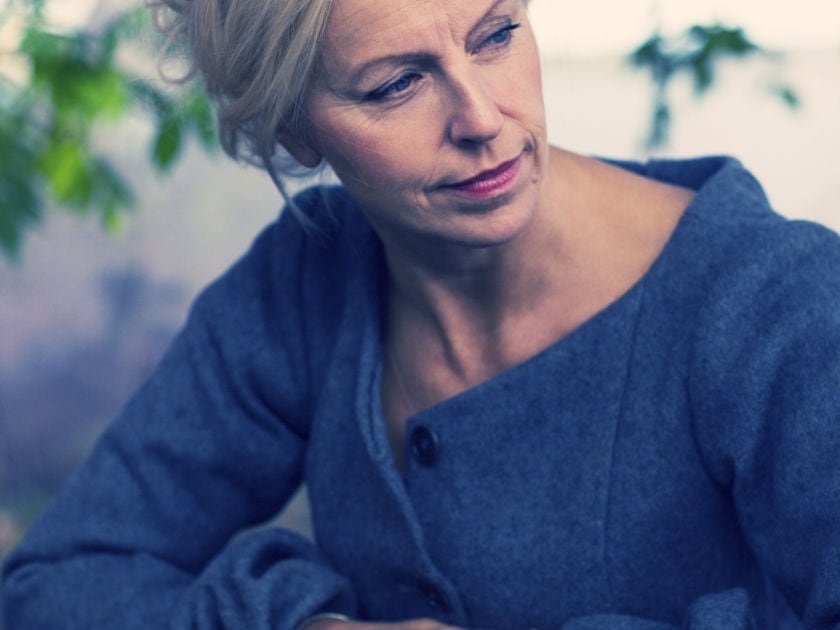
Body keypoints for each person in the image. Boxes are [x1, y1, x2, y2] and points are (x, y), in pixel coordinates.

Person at [3, 0, 840, 627]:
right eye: (396, 84)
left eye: (498, 34)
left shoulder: (779, 303)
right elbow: (57, 585)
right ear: (297, 130)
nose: (483, 119)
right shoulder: (305, 282)